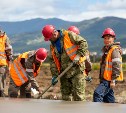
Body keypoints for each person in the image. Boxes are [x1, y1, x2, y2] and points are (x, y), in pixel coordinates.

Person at [42, 25, 88, 101]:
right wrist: (54, 75)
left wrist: (79, 55)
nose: (49, 40)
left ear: (54, 34)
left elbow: (83, 42)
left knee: (78, 96)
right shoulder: (52, 45)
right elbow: (53, 61)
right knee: (66, 97)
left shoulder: (69, 35)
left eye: (50, 38)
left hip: (77, 70)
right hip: (64, 72)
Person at [93, 28, 123, 103]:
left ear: (113, 39)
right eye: (105, 38)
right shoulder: (107, 50)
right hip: (106, 78)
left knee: (97, 94)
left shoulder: (114, 50)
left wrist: (113, 80)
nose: (106, 40)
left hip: (109, 79)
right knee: (108, 99)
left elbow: (117, 66)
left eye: (108, 38)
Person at [0, 29, 13, 97]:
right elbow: (9, 50)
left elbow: (9, 50)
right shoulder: (4, 37)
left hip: (2, 63)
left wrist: (10, 59)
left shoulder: (4, 37)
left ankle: (1, 95)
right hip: (2, 63)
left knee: (1, 81)